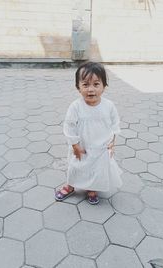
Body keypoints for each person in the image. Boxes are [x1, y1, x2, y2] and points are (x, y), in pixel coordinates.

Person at [55, 61, 122, 204]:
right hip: (81, 146)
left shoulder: (109, 106)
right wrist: (74, 145)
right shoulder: (76, 107)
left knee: (97, 169)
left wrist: (112, 143)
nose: (91, 89)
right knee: (76, 167)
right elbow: (69, 126)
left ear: (104, 86)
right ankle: (70, 186)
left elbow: (115, 124)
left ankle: (92, 188)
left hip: (100, 147)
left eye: (96, 84)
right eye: (85, 85)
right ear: (78, 87)